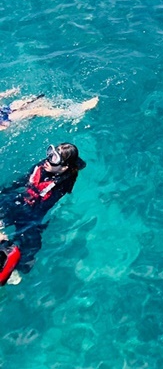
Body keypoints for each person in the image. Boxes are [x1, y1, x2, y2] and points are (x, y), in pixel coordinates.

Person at [0, 143, 86, 280]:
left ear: (64, 168)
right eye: (50, 153)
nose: (48, 159)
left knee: (31, 246)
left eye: (54, 158)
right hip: (19, 200)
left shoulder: (61, 185)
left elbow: (40, 209)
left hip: (31, 213)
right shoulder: (44, 166)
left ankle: (15, 268)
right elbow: (19, 183)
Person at [0, 91, 98, 132]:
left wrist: (9, 93)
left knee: (36, 102)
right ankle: (74, 112)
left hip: (5, 110)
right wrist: (5, 126)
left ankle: (54, 109)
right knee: (37, 110)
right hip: (6, 120)